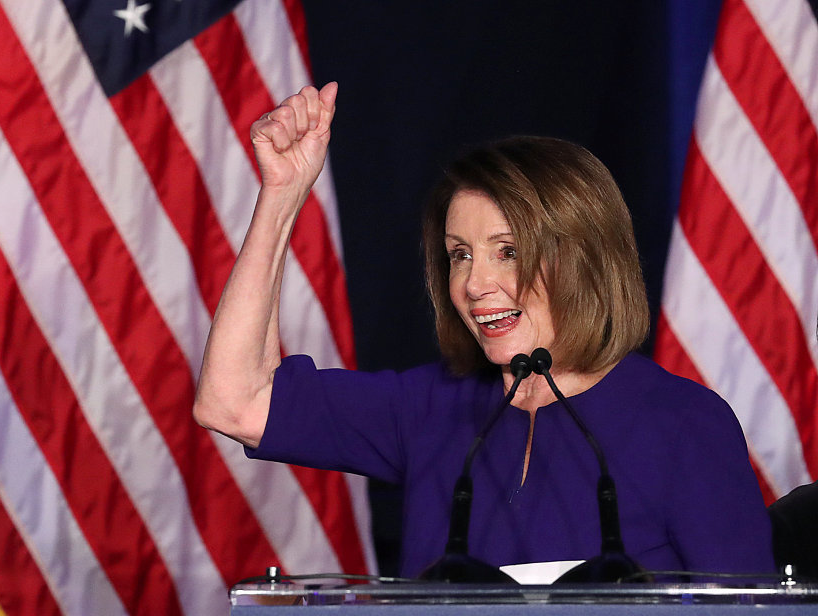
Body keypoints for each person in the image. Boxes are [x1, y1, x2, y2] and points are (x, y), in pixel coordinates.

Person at [194, 83, 774, 580]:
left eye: (508, 251)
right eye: (460, 255)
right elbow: (234, 401)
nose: (475, 284)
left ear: (586, 260)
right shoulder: (429, 409)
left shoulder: (684, 425)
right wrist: (283, 194)